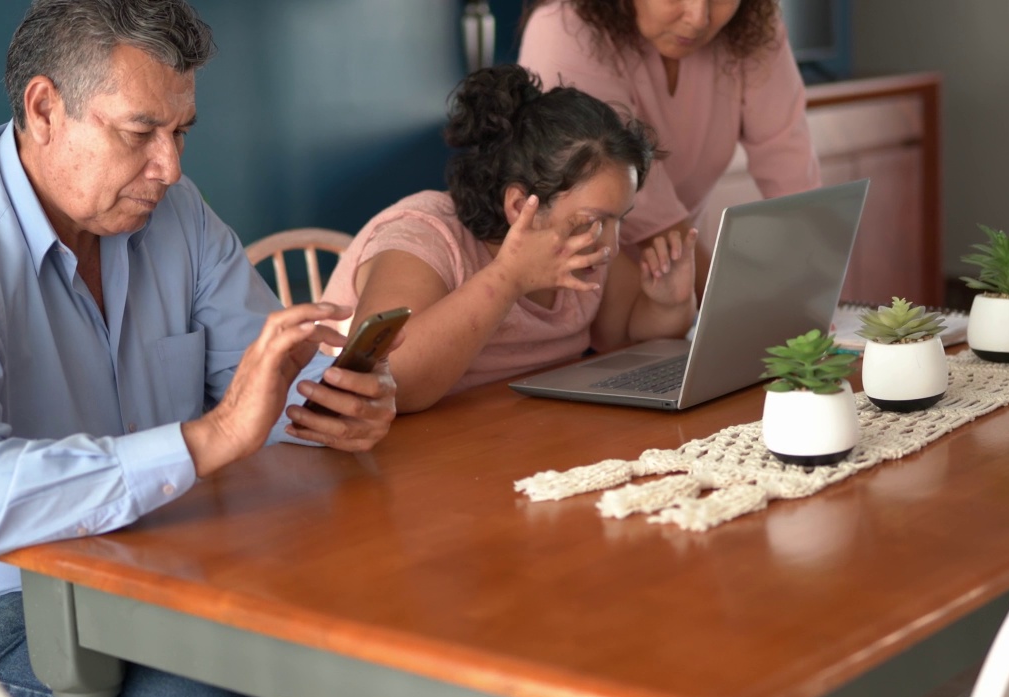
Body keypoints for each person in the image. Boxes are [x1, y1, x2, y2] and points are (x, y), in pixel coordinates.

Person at [0, 0, 396, 697]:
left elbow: (268, 382)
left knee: (349, 632)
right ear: (45, 109)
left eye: (179, 132)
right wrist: (207, 438)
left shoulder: (176, 215)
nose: (169, 167)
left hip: (139, 562)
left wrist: (332, 401)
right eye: (141, 131)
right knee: (210, 694)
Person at [319, 65, 697, 413]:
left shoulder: (585, 248)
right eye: (591, 221)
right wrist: (509, 278)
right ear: (519, 205)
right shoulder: (423, 236)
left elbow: (624, 338)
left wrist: (668, 305)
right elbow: (389, 381)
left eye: (620, 220)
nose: (612, 246)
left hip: (512, 434)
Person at [518, 0, 822, 297]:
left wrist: (817, 290)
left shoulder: (751, 27)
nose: (698, 17)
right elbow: (644, 205)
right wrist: (748, 305)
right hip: (577, 302)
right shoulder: (564, 28)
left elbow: (794, 175)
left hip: (675, 297)